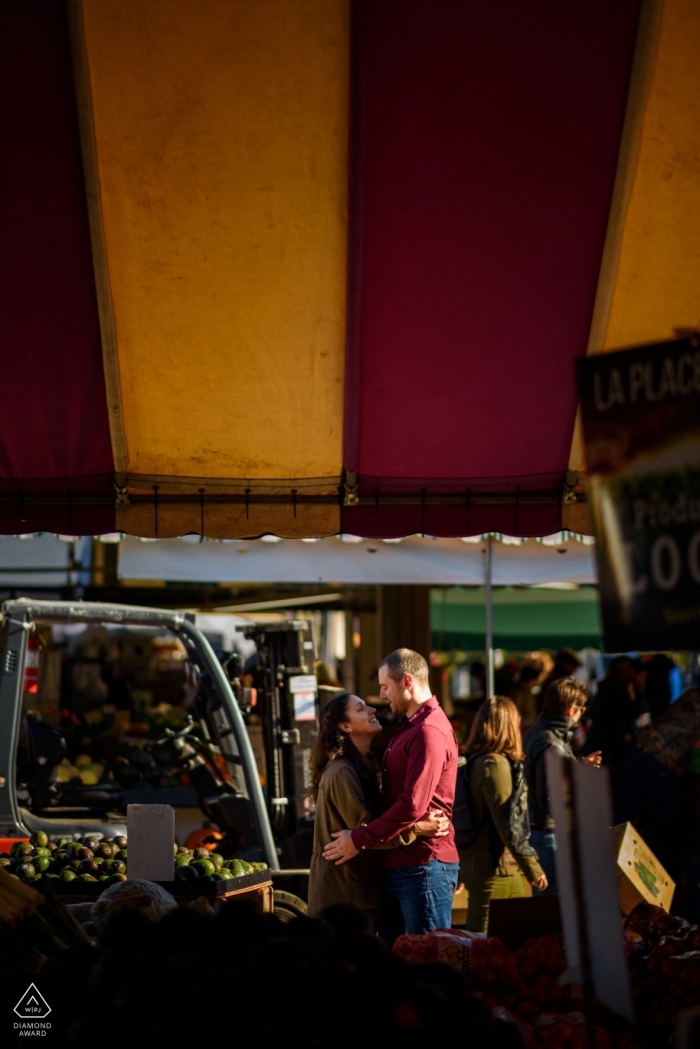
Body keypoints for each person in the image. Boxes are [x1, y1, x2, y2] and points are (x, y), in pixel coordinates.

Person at [323, 648, 459, 940]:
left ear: (407, 681)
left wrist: (358, 840)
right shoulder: (410, 727)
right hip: (404, 866)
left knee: (427, 962)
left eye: (385, 686)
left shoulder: (428, 731)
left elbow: (412, 805)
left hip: (422, 866)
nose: (382, 696)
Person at [308, 692, 448, 920]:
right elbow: (367, 831)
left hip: (356, 893)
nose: (372, 710)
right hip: (343, 901)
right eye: (361, 709)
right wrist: (419, 828)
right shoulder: (341, 771)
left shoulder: (363, 764)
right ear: (345, 726)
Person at [459, 695, 546, 932]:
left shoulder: (475, 760)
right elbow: (508, 823)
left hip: (491, 867)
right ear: (508, 726)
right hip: (494, 870)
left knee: (508, 939)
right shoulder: (494, 765)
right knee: (483, 943)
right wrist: (533, 867)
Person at [523, 677, 601, 894]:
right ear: (569, 710)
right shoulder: (551, 744)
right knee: (552, 912)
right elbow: (551, 799)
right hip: (546, 836)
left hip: (538, 833)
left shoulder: (538, 733)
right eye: (581, 708)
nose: (582, 713)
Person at [582, 655, 644, 773]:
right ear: (621, 671)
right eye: (630, 669)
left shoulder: (609, 687)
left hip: (604, 743)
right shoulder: (615, 690)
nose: (633, 673)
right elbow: (633, 712)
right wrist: (638, 688)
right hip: (610, 746)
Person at [537, 648, 582, 713]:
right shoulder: (557, 683)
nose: (574, 669)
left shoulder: (554, 680)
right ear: (563, 663)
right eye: (572, 665)